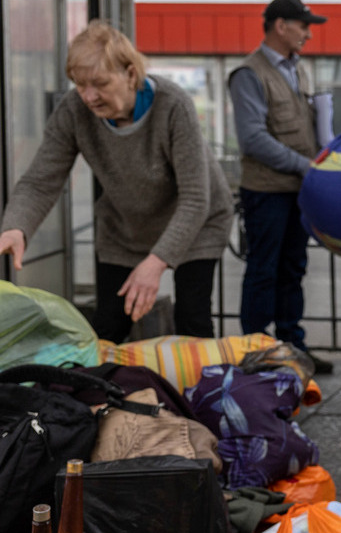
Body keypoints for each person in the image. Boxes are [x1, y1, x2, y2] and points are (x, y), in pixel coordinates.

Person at [0, 21, 233, 342]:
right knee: (110, 323)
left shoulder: (173, 105)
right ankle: (107, 391)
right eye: (80, 85)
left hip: (197, 222)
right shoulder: (73, 111)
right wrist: (15, 226)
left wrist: (155, 264)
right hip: (126, 227)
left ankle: (204, 389)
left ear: (130, 74)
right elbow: (41, 180)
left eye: (99, 83)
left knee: (192, 318)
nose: (89, 96)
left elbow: (196, 198)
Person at [228, 0, 332, 374]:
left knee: (293, 268)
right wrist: (305, 165)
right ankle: (255, 353)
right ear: (280, 25)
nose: (307, 33)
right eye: (303, 25)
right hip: (267, 192)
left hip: (296, 191)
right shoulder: (248, 74)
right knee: (263, 271)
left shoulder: (296, 69)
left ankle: (293, 349)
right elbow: (252, 139)